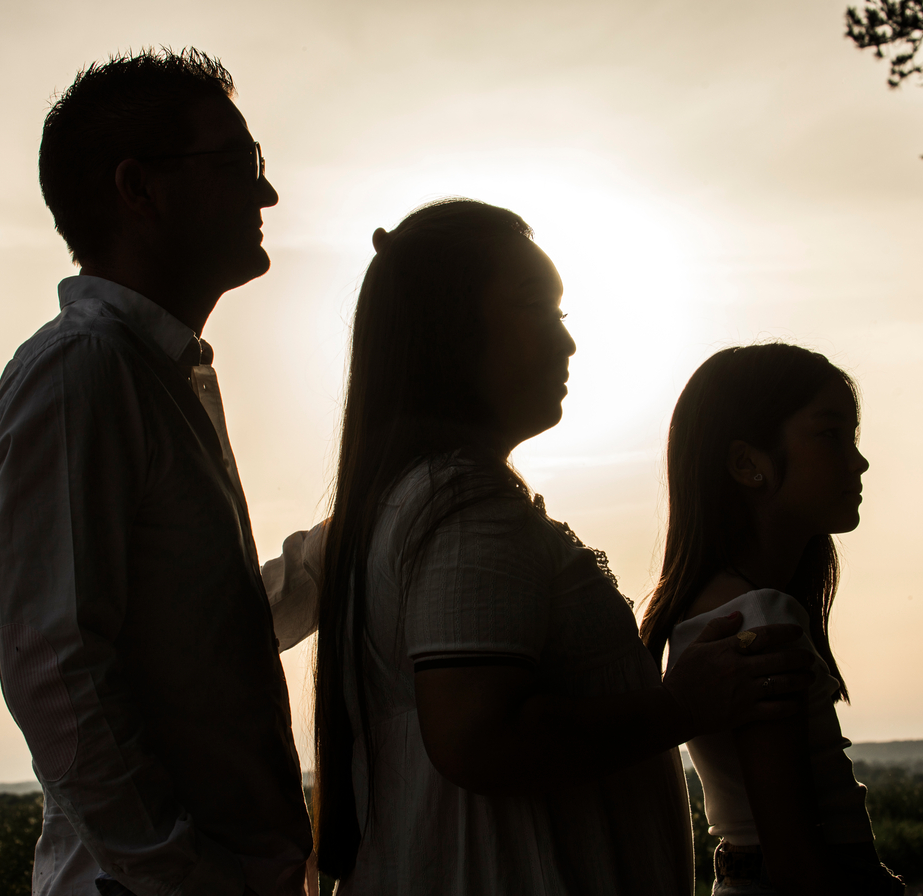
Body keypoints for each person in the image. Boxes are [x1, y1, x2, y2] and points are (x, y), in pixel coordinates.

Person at [311, 199, 817, 895]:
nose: (566, 343)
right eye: (537, 308)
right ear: (448, 330)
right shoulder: (465, 511)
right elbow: (478, 739)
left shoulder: (409, 500)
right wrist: (682, 705)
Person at [0, 48, 321, 896]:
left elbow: (201, 636)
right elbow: (56, 666)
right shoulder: (83, 372)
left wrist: (367, 527)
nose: (267, 195)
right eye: (242, 165)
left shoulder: (153, 374)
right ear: (139, 187)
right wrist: (180, 878)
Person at [638, 344, 905, 895]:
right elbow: (797, 862)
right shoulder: (757, 616)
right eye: (830, 435)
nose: (859, 461)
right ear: (746, 464)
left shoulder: (723, 604)